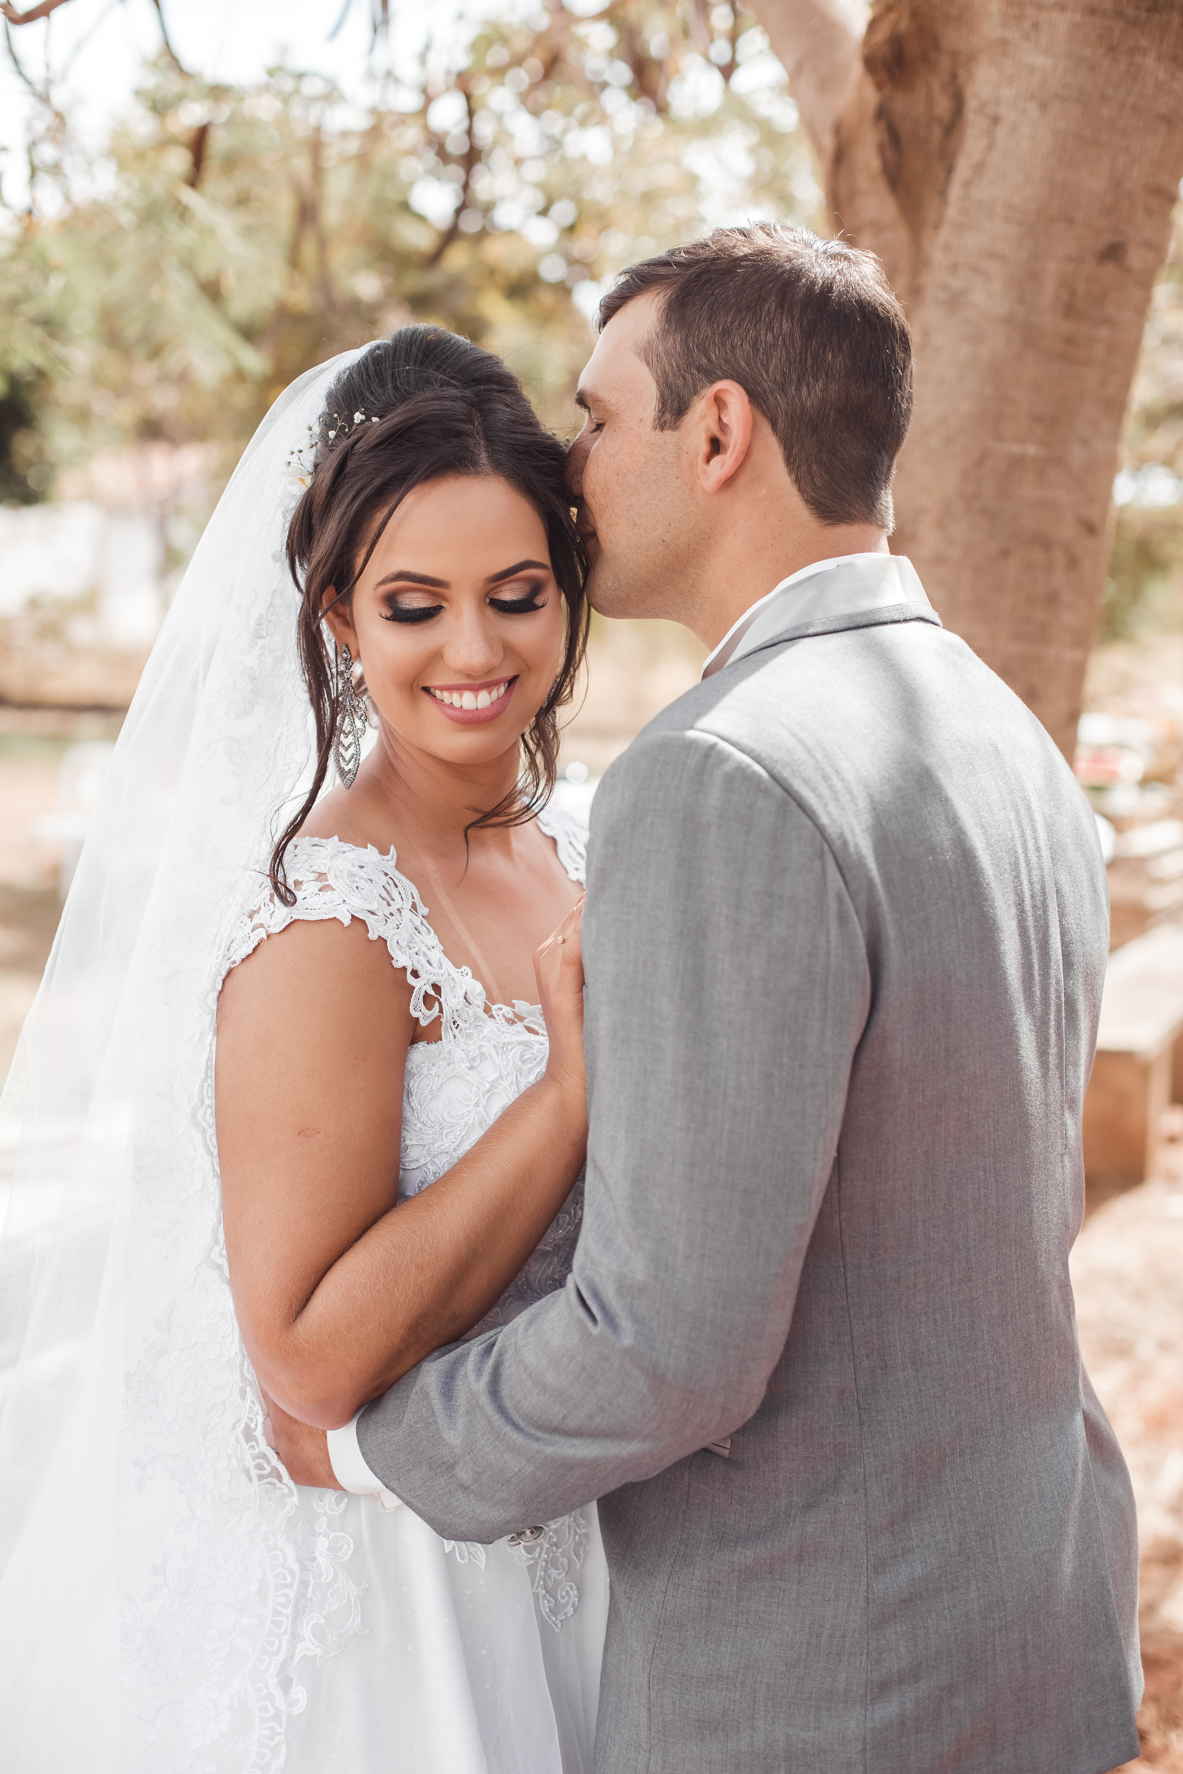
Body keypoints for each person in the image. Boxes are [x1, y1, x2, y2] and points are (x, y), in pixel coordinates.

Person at [272, 225, 1144, 1773]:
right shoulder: (996, 723)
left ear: (721, 432)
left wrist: (366, 1447)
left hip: (825, 1676)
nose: (576, 459)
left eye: (601, 417)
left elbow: (668, 1341)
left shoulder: (718, 772)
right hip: (1032, 1615)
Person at [0, 328, 607, 1772]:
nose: (476, 651)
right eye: (414, 606)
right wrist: (574, 1098)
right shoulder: (327, 911)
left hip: (560, 1533)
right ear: (337, 616)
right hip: (382, 1604)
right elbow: (306, 1359)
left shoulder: (580, 850)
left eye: (518, 596)